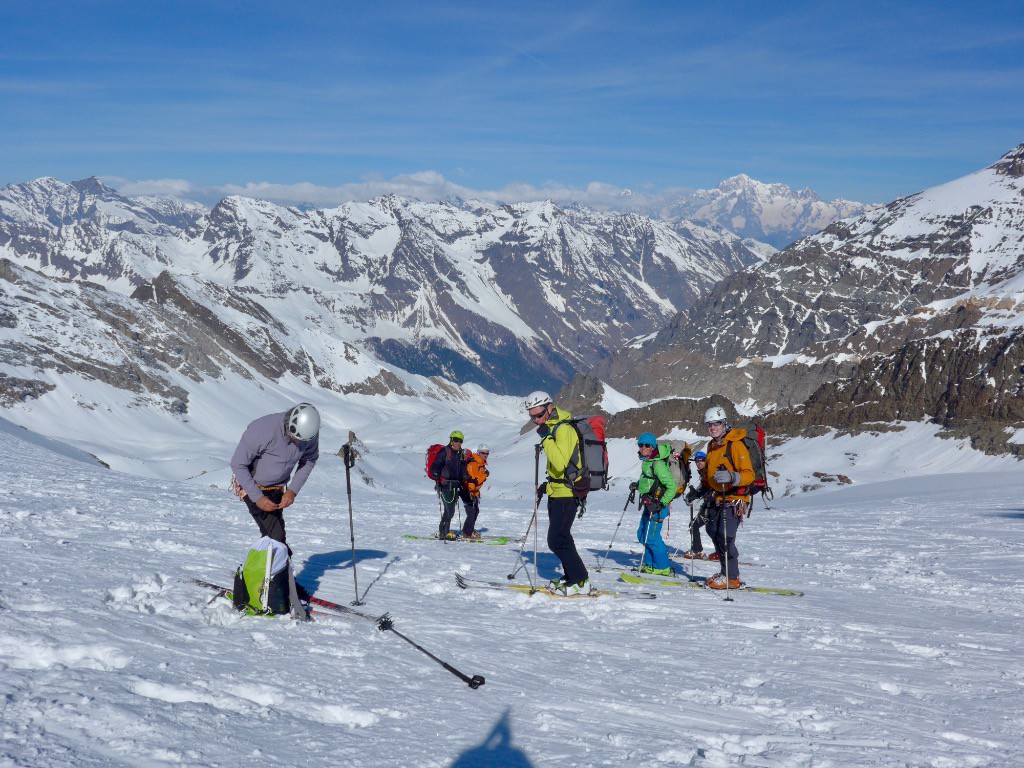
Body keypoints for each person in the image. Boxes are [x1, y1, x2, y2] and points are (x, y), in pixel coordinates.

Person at [525, 391, 592, 596]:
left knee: (556, 540)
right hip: (557, 489)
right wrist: (548, 484)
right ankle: (572, 576)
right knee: (563, 537)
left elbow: (561, 462)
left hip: (567, 492)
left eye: (539, 415)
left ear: (550, 407)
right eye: (532, 416)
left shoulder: (563, 429)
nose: (536, 419)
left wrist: (546, 438)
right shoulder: (554, 427)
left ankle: (581, 581)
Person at [230, 403, 321, 552]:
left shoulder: (309, 432)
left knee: (271, 537)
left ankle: (264, 572)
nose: (298, 443)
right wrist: (258, 498)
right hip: (252, 486)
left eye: (302, 440)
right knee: (276, 538)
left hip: (277, 488)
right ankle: (280, 572)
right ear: (289, 424)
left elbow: (309, 460)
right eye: (294, 437)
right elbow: (238, 464)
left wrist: (292, 490)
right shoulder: (262, 430)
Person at [702, 405, 754, 589]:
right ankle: (726, 573)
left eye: (716, 423)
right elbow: (710, 473)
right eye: (709, 424)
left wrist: (733, 477)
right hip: (717, 497)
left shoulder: (735, 445)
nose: (712, 427)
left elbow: (749, 474)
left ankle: (731, 577)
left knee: (726, 537)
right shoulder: (712, 446)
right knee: (715, 533)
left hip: (734, 499)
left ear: (724, 423)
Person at [634, 433, 678, 576]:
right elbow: (650, 481)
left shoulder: (658, 463)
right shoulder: (647, 461)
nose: (643, 448)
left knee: (652, 537)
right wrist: (638, 485)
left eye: (647, 445)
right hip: (649, 504)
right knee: (642, 535)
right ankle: (650, 564)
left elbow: (672, 486)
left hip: (658, 506)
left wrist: (661, 503)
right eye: (641, 445)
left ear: (653, 446)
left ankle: (662, 567)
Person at [430, 430, 471, 540]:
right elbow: (437, 465)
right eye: (456, 440)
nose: (458, 443)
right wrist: (435, 474)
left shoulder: (460, 454)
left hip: (455, 486)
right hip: (445, 485)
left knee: (450, 510)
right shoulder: (444, 452)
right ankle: (444, 532)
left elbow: (462, 468)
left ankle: (444, 531)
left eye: (460, 441)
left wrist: (466, 476)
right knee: (450, 511)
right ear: (451, 440)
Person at [681, 451, 718, 561]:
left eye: (702, 460)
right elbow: (703, 489)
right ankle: (696, 550)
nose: (699, 462)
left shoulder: (711, 472)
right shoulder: (703, 474)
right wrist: (693, 495)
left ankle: (720, 552)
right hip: (708, 505)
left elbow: (713, 487)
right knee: (695, 525)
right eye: (697, 461)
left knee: (712, 529)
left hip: (715, 505)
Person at [462, 444, 491, 538]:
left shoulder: (481, 464)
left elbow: (477, 482)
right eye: (483, 453)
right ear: (478, 453)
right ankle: (467, 533)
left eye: (487, 453)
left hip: (474, 492)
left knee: (475, 511)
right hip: (467, 491)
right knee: (471, 512)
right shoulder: (473, 464)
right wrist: (484, 475)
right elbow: (472, 481)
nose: (485, 455)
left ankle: (470, 530)